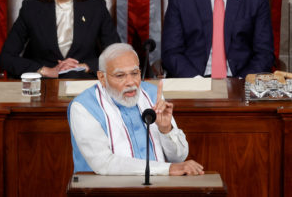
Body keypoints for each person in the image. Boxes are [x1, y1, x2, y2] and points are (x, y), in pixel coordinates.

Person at [68, 43, 204, 175]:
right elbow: (104, 164)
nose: (131, 82)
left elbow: (179, 158)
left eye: (134, 73)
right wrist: (167, 169)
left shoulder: (152, 94)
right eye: (120, 76)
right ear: (102, 77)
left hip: (158, 189)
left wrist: (166, 129)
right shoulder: (83, 106)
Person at [0, 0, 120, 79]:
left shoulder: (97, 8)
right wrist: (44, 70)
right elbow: (6, 57)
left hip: (84, 82)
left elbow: (118, 54)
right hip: (43, 84)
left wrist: (85, 66)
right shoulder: (31, 9)